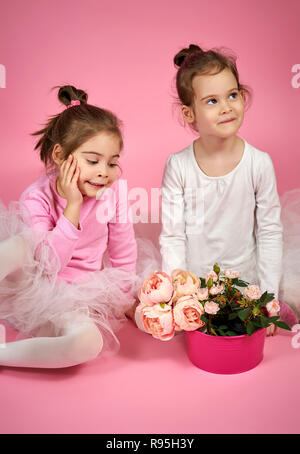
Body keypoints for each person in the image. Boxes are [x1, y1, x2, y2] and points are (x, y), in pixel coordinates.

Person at [159, 44, 299, 337]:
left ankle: (281, 304)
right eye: (211, 101)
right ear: (189, 113)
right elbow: (173, 235)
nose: (226, 107)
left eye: (232, 95)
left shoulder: (258, 163)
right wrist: (182, 295)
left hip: (247, 281)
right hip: (198, 284)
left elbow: (269, 231)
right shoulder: (179, 165)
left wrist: (268, 297)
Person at [0, 84, 140, 368]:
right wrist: (72, 206)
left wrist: (126, 299)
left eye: (112, 163)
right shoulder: (36, 196)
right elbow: (49, 264)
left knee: (88, 343)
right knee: (18, 245)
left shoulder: (114, 194)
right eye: (92, 161)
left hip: (76, 294)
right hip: (33, 278)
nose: (104, 172)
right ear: (61, 156)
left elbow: (124, 254)